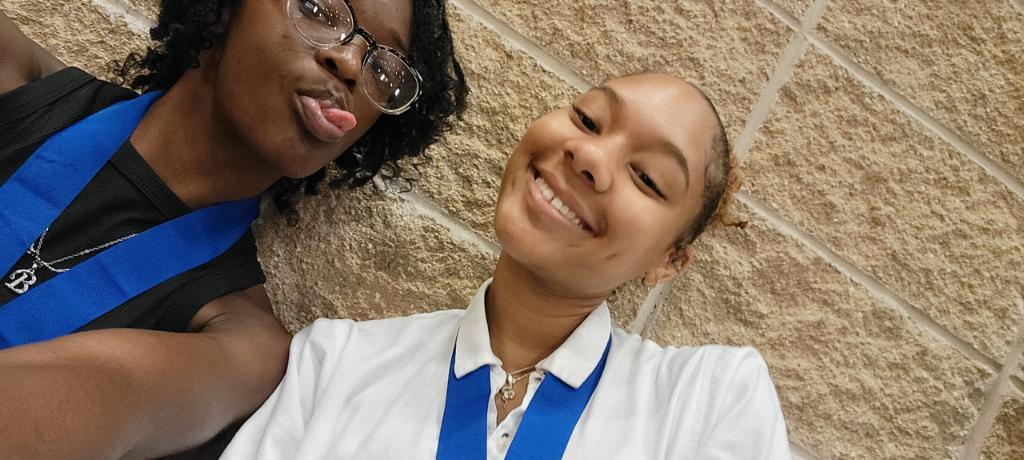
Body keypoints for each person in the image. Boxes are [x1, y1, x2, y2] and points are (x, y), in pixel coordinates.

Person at [221, 73, 791, 459]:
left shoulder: (708, 400)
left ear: (669, 262)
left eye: (647, 177)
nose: (589, 155)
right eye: (588, 119)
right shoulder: (335, 364)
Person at [0, 0, 467, 457]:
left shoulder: (243, 343)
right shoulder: (22, 85)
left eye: (382, 66)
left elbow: (84, 406)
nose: (349, 63)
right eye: (318, 10)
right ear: (224, 10)